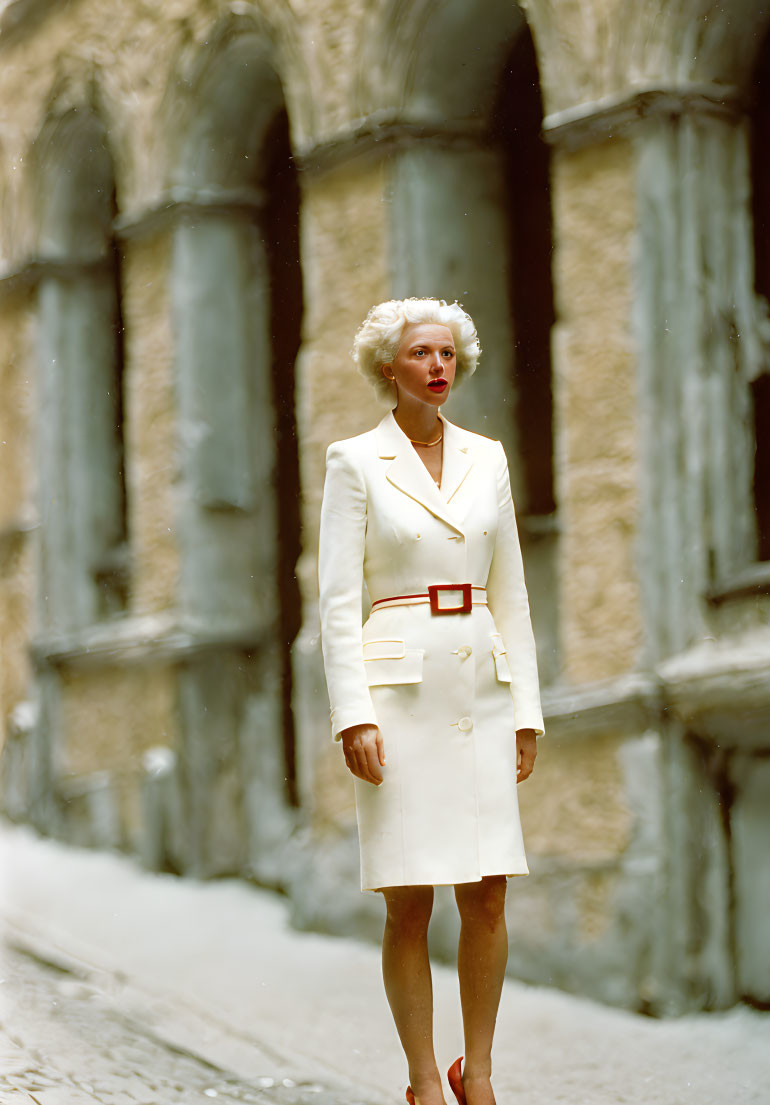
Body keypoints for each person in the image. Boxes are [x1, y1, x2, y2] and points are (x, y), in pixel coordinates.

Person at [318, 297, 544, 1105]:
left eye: (447, 353)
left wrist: (526, 711)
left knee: (487, 888)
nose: (438, 366)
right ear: (389, 366)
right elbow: (338, 600)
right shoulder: (354, 462)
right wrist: (354, 713)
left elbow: (509, 590)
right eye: (420, 353)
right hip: (398, 696)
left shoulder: (489, 458)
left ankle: (475, 1074)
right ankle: (421, 1078)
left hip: (479, 687)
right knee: (409, 898)